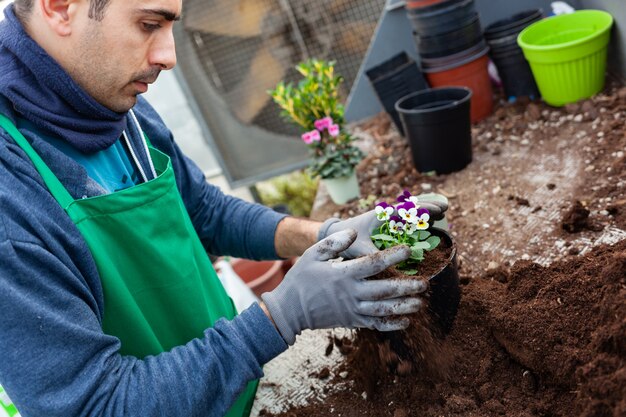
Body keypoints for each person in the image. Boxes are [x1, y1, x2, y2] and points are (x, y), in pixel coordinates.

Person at [0, 1, 448, 416]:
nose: (168, 56)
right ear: (60, 8)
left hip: (237, 389)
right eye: (149, 25)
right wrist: (280, 317)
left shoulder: (108, 101)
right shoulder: (11, 199)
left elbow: (205, 211)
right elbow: (97, 404)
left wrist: (327, 234)